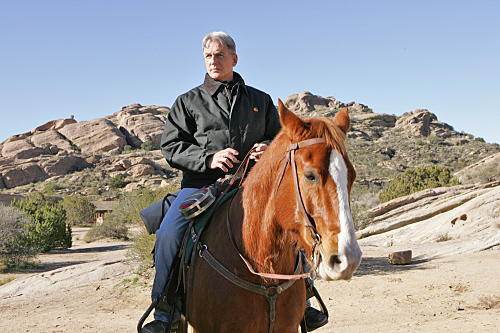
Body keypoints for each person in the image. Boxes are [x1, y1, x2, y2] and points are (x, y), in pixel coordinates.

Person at [142, 31, 327, 333]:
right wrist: (208, 159)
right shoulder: (187, 102)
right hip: (201, 186)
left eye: (219, 55)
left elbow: (282, 139)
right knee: (168, 234)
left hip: (252, 185)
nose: (213, 61)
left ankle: (304, 301)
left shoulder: (260, 100)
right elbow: (172, 148)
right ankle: (164, 311)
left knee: (294, 225)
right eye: (208, 56)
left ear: (234, 58)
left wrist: (269, 146)